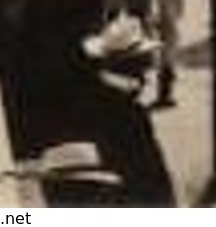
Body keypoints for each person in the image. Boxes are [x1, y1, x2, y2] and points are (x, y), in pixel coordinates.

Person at [71, 15, 177, 206]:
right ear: (131, 67)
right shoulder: (130, 113)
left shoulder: (91, 97)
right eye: (142, 64)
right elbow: (154, 178)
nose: (146, 71)